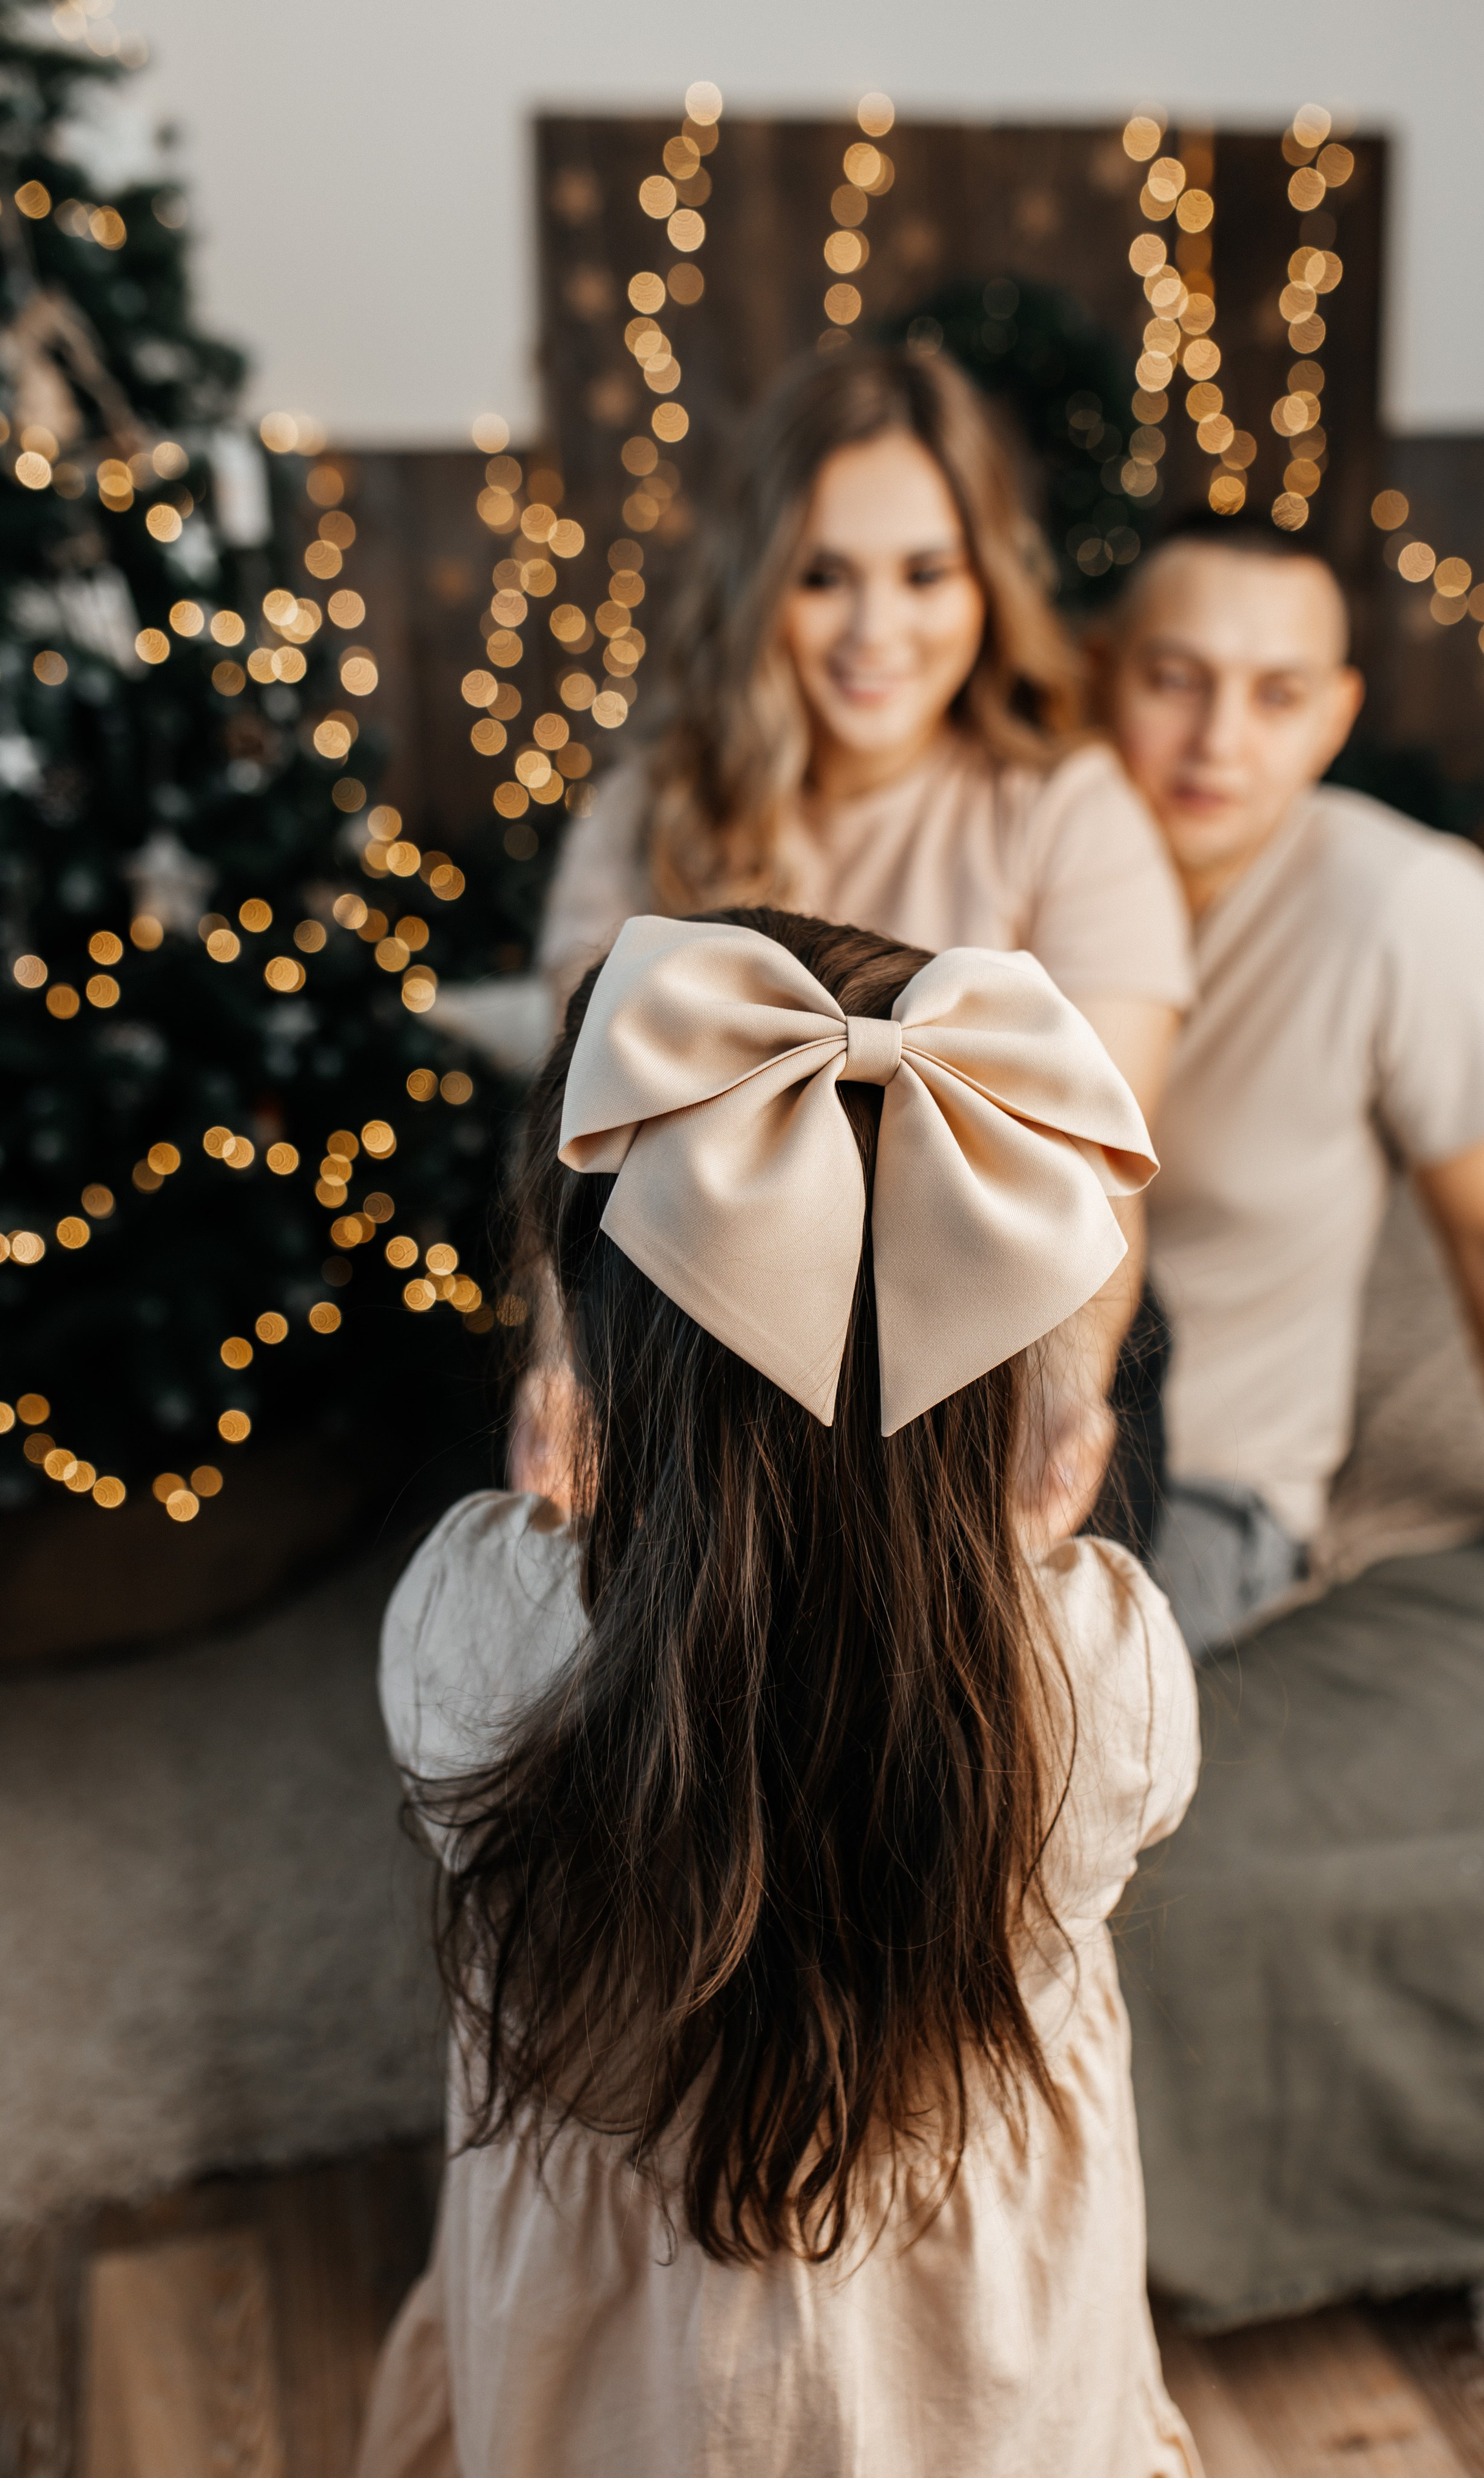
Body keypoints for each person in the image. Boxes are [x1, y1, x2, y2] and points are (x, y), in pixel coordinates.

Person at [357, 910, 1202, 2478]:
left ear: (582, 1342)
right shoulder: (1102, 1671)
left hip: (606, 2391)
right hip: (979, 2381)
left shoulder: (466, 1630)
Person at [539, 345, 1193, 1418]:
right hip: (715, 1352)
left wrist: (1066, 1407)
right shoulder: (647, 813)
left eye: (926, 575)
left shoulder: (1073, 811)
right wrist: (564, 1371)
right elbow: (579, 1164)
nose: (875, 632)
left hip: (1016, 1341)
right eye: (822, 575)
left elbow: (1102, 1187)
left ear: (987, 578)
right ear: (760, 583)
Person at [1105, 510, 1484, 1653]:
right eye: (1175, 681)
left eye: (1277, 695)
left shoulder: (1404, 905)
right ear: (1102, 673)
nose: (1219, 741)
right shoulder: (1015, 858)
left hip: (1205, 1476)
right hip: (942, 1449)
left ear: (1337, 715)